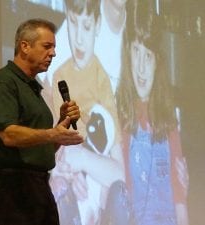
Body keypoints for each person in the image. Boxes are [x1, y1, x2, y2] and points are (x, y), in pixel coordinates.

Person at [0, 18, 84, 225]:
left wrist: (61, 125)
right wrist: (51, 134)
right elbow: (8, 135)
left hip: (37, 185)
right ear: (25, 47)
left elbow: (42, 147)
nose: (53, 53)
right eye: (47, 46)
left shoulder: (32, 87)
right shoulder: (3, 83)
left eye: (54, 47)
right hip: (16, 187)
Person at [48, 1, 125, 225]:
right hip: (71, 183)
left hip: (98, 179)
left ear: (98, 25)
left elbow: (118, 171)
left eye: (87, 26)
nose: (79, 38)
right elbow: (58, 146)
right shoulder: (59, 76)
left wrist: (83, 163)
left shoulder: (103, 82)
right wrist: (67, 174)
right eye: (73, 24)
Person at [115, 1, 189, 225]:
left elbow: (179, 194)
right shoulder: (121, 114)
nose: (141, 67)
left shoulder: (168, 118)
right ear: (128, 55)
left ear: (158, 63)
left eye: (148, 56)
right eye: (136, 52)